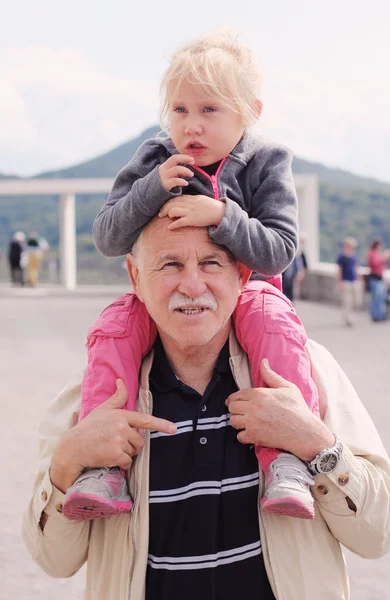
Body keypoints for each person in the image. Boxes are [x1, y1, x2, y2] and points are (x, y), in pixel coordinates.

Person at [22, 218, 390, 600]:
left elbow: (377, 536)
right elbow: (53, 560)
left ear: (242, 274)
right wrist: (66, 465)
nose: (193, 286)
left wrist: (315, 441)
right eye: (170, 264)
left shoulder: (308, 374)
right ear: (135, 276)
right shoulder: (94, 398)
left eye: (212, 263)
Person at [63, 30, 320, 522]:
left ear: (250, 111)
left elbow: (279, 253)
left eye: (209, 109)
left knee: (275, 328)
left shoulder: (267, 162)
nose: (191, 125)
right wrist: (150, 191)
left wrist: (220, 214)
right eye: (179, 110)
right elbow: (108, 238)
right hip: (161, 297)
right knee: (114, 326)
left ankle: (285, 461)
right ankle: (103, 468)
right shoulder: (153, 159)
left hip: (252, 296)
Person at [336, 237, 362, 327]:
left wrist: (360, 280)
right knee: (347, 301)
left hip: (354, 281)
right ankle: (348, 319)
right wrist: (339, 282)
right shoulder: (342, 257)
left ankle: (351, 317)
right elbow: (339, 270)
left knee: (356, 301)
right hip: (346, 281)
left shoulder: (354, 256)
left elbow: (356, 269)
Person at [367, 238, 390, 322]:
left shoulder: (377, 253)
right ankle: (375, 315)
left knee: (380, 298)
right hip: (374, 278)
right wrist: (384, 257)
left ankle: (380, 315)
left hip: (379, 278)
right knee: (375, 298)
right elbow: (375, 263)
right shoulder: (372, 253)